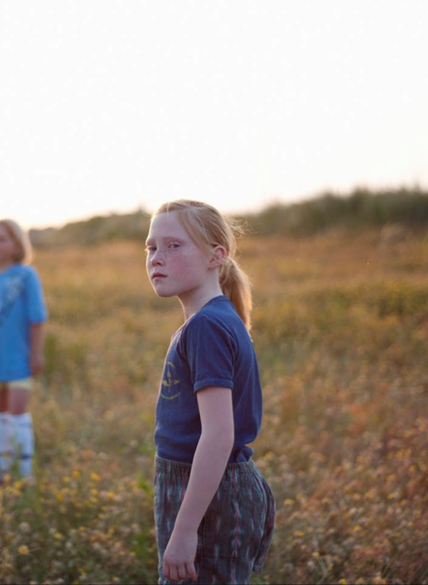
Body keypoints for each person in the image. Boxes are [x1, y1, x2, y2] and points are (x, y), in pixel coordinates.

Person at [145, 199, 275, 584]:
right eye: (151, 247)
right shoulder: (209, 320)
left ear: (216, 256)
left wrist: (185, 531)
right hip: (203, 490)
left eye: (174, 246)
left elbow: (219, 435)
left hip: (211, 498)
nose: (157, 258)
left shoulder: (207, 327)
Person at [0, 219, 47, 482]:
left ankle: (25, 476)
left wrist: (35, 354)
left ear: (16, 245)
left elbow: (37, 318)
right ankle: (5, 471)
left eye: (2, 239)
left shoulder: (26, 276)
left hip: (18, 361)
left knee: (17, 414)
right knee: (0, 415)